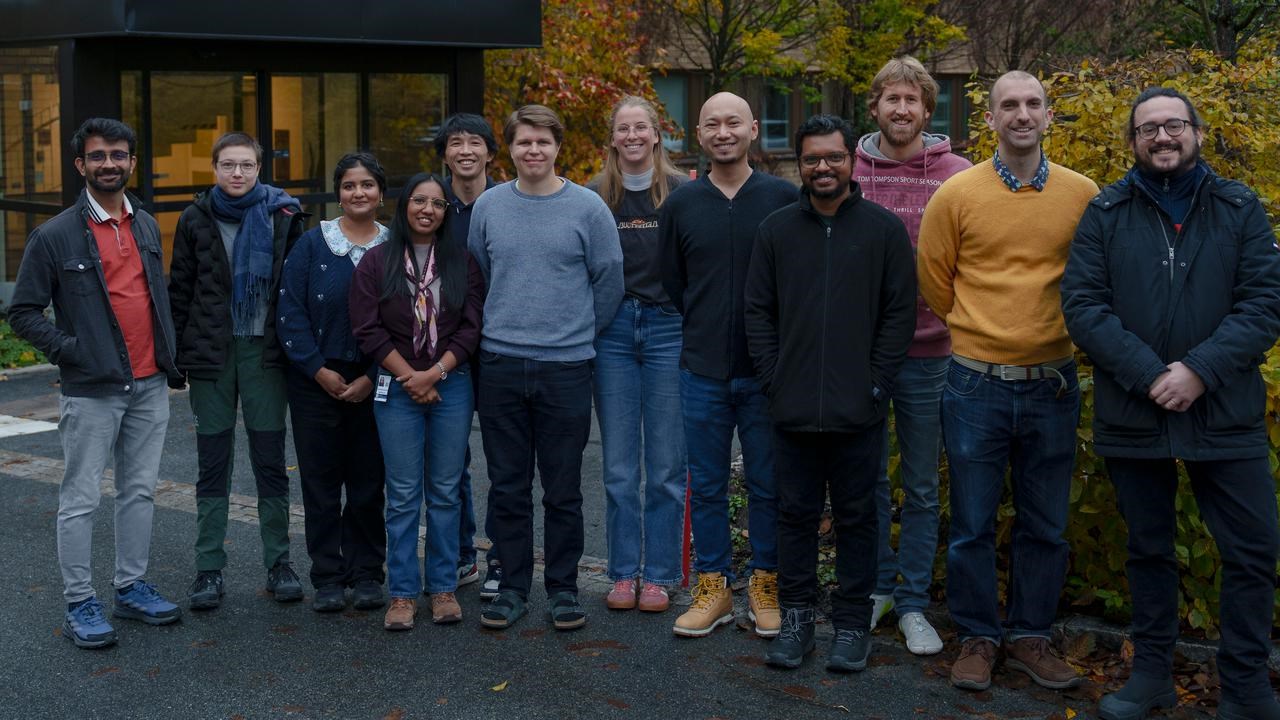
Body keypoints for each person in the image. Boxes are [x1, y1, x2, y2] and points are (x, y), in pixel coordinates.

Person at [1062, 87, 1280, 720]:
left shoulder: (1239, 207)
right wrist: (1151, 374)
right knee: (1148, 550)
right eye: (1148, 128)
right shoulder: (1106, 212)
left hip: (1226, 411)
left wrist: (1199, 372)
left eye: (1174, 125)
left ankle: (1245, 686)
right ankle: (1152, 675)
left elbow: (1265, 303)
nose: (1162, 136)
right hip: (1136, 411)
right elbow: (1083, 306)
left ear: (1197, 133)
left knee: (1252, 550)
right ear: (1133, 140)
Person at [916, 71, 1098, 692]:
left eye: (1033, 104)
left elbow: (1093, 278)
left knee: (1045, 523)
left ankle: (1029, 637)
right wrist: (982, 331)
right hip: (976, 383)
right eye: (1009, 105)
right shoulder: (957, 194)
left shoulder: (1082, 194)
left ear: (1048, 116)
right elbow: (935, 278)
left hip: (1053, 383)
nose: (1022, 114)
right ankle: (977, 637)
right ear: (989, 119)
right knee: (971, 522)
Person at [745, 114, 916, 671]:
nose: (823, 167)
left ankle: (850, 625)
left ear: (851, 161)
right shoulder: (776, 231)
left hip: (858, 408)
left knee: (858, 517)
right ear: (799, 163)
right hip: (791, 406)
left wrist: (876, 384)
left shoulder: (883, 231)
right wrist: (773, 379)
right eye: (812, 158)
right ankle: (797, 621)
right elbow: (758, 312)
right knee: (794, 516)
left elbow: (899, 314)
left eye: (834, 157)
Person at [11, 118, 183, 647]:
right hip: (92, 389)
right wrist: (73, 352)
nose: (109, 163)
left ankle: (130, 587)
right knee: (81, 498)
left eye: (118, 154)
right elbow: (22, 311)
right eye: (98, 155)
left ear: (132, 162)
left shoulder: (146, 224)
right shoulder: (55, 235)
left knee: (139, 492)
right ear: (80, 164)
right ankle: (79, 602)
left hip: (149, 384)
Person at [468, 104, 623, 631]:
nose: (533, 150)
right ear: (509, 149)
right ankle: (512, 588)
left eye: (543, 141)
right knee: (508, 486)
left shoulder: (588, 208)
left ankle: (562, 589)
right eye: (523, 142)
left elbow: (609, 278)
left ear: (558, 146)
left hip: (566, 367)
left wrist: (576, 332)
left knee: (563, 489)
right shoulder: (489, 207)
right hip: (501, 364)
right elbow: (478, 276)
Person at [661, 92, 797, 638]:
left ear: (753, 129)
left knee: (768, 483)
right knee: (708, 485)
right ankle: (713, 586)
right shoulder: (681, 204)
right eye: (712, 124)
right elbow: (675, 283)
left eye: (733, 122)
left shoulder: (784, 199)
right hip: (703, 370)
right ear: (699, 135)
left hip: (767, 372)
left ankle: (765, 583)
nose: (723, 132)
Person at [853, 56, 972, 654]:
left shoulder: (957, 175)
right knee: (867, 479)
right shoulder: (849, 170)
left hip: (932, 352)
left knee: (923, 486)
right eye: (891, 99)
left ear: (927, 110)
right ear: (875, 106)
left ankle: (914, 602)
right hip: (862, 354)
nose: (901, 109)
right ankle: (877, 588)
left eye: (912, 100)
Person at [169, 131, 307, 610]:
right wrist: (175, 359)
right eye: (228, 164)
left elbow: (297, 292)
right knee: (212, 463)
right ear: (214, 168)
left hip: (264, 353)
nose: (237, 173)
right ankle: (208, 569)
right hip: (211, 354)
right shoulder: (194, 217)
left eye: (246, 165)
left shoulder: (284, 215)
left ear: (259, 169)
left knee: (269, 459)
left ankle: (279, 563)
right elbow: (180, 290)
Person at [350, 172, 484, 630]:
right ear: (404, 204)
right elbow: (367, 328)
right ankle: (403, 593)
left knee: (446, 490)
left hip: (451, 383)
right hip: (397, 386)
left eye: (438, 203)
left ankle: (443, 587)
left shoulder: (462, 261)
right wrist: (411, 376)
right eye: (419, 201)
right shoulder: (376, 261)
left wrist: (435, 372)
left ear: (446, 212)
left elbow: (471, 327)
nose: (428, 209)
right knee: (404, 494)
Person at [589, 95, 690, 613]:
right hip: (612, 331)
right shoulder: (593, 196)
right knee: (620, 467)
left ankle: (661, 575)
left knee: (667, 465)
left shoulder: (682, 192)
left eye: (640, 127)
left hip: (669, 327)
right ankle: (624, 572)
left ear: (656, 134)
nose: (631, 136)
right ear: (612, 138)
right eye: (622, 128)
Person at [277, 152, 389, 614]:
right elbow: (289, 311)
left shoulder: (395, 246)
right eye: (349, 185)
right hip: (315, 380)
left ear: (381, 193)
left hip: (376, 380)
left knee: (368, 483)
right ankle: (326, 575)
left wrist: (372, 376)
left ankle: (366, 574)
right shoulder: (312, 244)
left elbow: (408, 322)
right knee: (321, 484)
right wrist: (318, 369)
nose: (358, 192)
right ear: (338, 193)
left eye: (367, 184)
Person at [433, 113, 500, 596]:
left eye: (474, 142)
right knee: (450, 461)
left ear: (490, 153)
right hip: (446, 349)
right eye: (455, 143)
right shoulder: (431, 204)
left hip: (499, 346)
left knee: (504, 462)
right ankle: (460, 555)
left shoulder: (509, 200)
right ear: (445, 154)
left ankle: (501, 558)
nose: (465, 151)